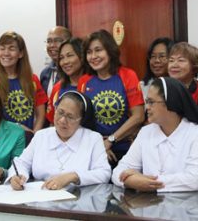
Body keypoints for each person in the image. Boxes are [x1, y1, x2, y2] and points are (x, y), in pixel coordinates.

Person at [112, 77, 198, 192]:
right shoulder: (146, 132)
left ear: (170, 102)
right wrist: (130, 181)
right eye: (147, 102)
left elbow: (194, 179)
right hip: (153, 205)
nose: (147, 108)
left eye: (151, 102)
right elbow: (118, 171)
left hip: (192, 206)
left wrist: (144, 182)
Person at [8, 91, 110, 190]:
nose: (62, 120)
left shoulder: (93, 139)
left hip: (78, 201)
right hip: (41, 199)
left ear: (81, 119)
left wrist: (73, 176)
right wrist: (17, 177)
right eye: (60, 112)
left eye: (70, 117)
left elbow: (104, 173)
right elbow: (21, 163)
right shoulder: (41, 136)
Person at [78, 29, 145, 164]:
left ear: (110, 50)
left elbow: (138, 116)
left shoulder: (128, 75)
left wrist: (110, 140)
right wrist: (99, 146)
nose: (93, 56)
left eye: (98, 50)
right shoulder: (84, 81)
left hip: (127, 148)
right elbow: (83, 120)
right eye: (89, 52)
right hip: (94, 149)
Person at [0, 31, 47, 141]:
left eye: (11, 49)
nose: (6, 53)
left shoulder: (32, 79)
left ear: (20, 53)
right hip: (0, 140)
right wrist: (18, 128)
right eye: (2, 48)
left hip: (28, 139)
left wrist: (35, 136)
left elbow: (40, 114)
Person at [46, 38, 85, 124]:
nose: (65, 62)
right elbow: (52, 121)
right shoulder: (58, 88)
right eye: (61, 58)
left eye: (70, 55)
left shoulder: (93, 84)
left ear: (82, 56)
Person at [40, 26, 72, 99]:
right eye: (49, 41)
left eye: (57, 40)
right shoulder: (45, 73)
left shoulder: (76, 71)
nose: (52, 45)